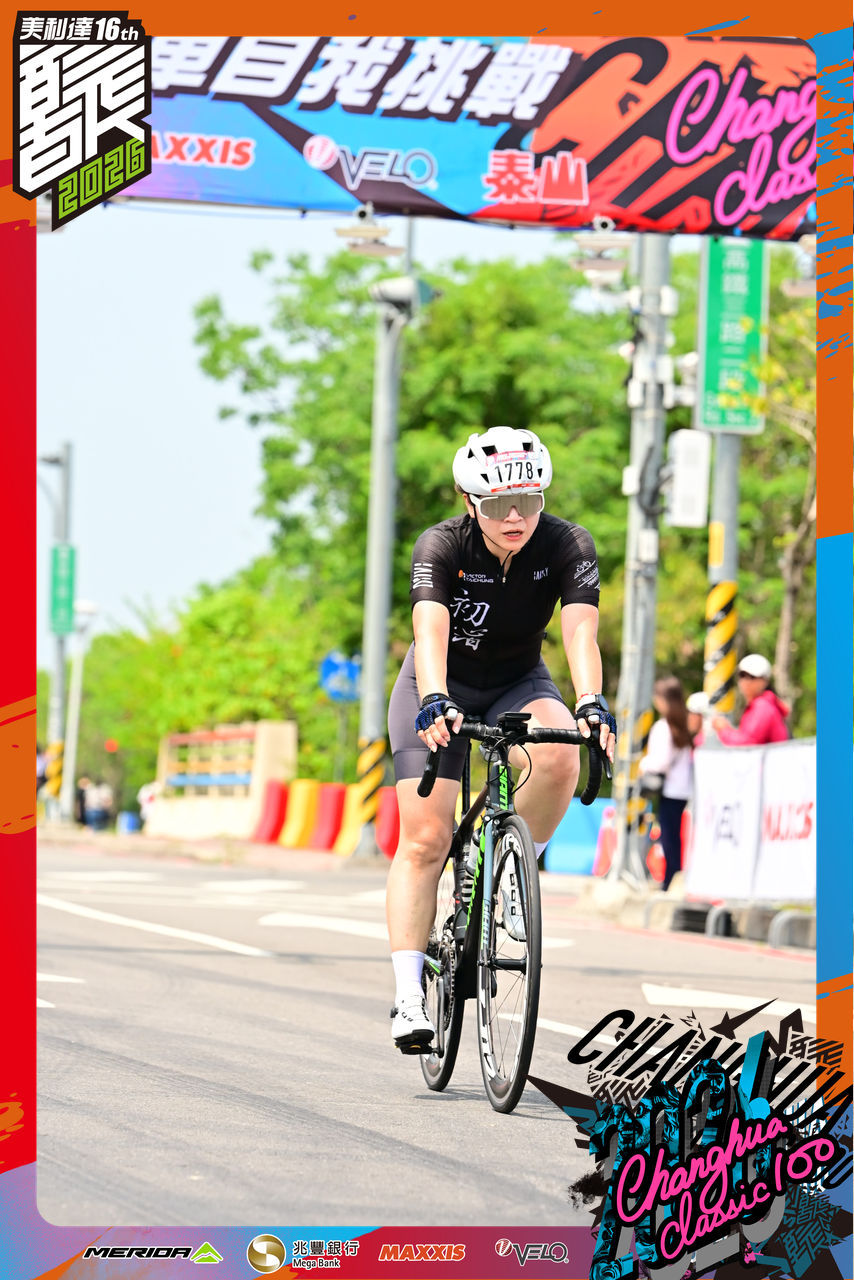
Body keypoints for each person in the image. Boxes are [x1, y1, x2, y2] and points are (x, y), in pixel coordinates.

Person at [385, 426, 616, 1051]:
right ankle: (409, 996)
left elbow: (581, 633)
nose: (514, 517)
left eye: (528, 501)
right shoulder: (441, 544)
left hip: (517, 681)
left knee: (561, 749)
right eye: (497, 505)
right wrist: (435, 697)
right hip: (440, 682)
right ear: (469, 502)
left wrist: (591, 700)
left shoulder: (567, 543)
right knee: (426, 839)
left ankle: (514, 870)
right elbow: (430, 631)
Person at [638, 676, 694, 892]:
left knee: (669, 838)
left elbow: (661, 761)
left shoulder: (664, 726)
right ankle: (674, 878)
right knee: (674, 837)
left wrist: (643, 764)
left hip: (669, 789)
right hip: (683, 789)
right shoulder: (684, 725)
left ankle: (670, 881)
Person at [711, 653, 790, 745]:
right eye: (742, 675)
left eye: (752, 677)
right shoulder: (759, 705)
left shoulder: (763, 707)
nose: (746, 681)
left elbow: (747, 744)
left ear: (765, 681)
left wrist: (723, 729)